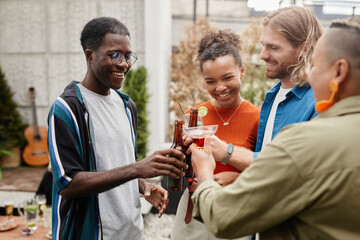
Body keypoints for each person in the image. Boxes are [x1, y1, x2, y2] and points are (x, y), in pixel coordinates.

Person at [189, 16, 360, 239]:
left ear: (339, 71)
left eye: (316, 65)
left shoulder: (302, 141)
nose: (310, 74)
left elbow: (222, 216)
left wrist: (204, 173)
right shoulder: (273, 100)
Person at [47, 17, 186, 240]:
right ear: (90, 55)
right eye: (114, 55)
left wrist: (143, 186)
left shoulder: (127, 106)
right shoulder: (66, 109)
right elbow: (68, 184)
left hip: (132, 233)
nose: (124, 64)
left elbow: (117, 165)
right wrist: (137, 169)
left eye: (128, 55)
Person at [204, 6, 323, 172]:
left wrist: (227, 152)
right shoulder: (274, 96)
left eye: (273, 47)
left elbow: (293, 166)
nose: (263, 55)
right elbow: (265, 164)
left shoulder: (319, 101)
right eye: (263, 46)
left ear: (303, 48)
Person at [171, 29, 260, 240]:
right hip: (193, 211)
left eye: (227, 77)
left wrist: (237, 177)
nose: (220, 88)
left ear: (243, 71)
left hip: (235, 211)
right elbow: (183, 166)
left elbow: (268, 167)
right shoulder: (194, 117)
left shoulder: (258, 117)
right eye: (210, 81)